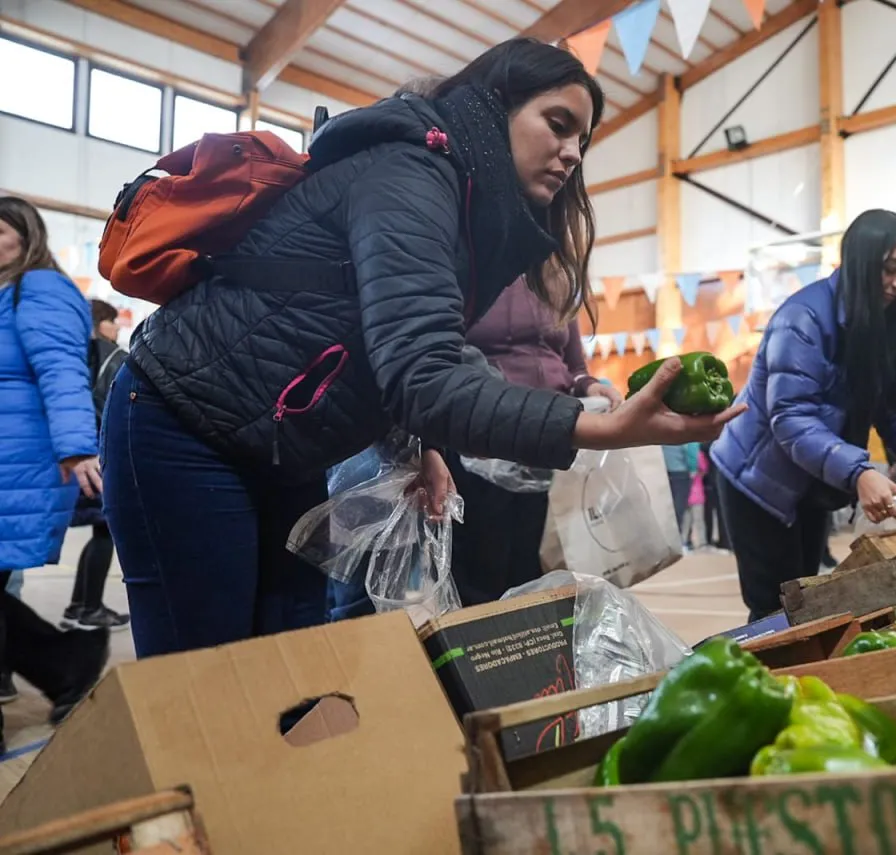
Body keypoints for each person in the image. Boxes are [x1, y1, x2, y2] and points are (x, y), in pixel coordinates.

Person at [101, 40, 741, 658]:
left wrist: (419, 441)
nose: (573, 153)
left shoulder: (462, 208)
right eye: (558, 123)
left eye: (583, 140)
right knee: (202, 678)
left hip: (276, 450)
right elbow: (422, 372)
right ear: (496, 105)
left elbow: (396, 333)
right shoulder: (411, 174)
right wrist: (599, 428)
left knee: (280, 672)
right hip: (183, 423)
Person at [712, 210, 896, 620]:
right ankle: (771, 681)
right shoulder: (802, 318)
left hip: (810, 478)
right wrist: (859, 472)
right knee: (777, 609)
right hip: (757, 481)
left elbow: (895, 411)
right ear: (859, 261)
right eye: (891, 269)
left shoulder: (880, 322)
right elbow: (789, 418)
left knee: (807, 602)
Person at [0, 196, 110, 746]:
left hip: (18, 462)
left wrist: (75, 447)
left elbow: (61, 369)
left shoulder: (39, 288)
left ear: (27, 236)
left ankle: (68, 662)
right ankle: (68, 662)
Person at [449, 274, 621, 606]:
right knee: (484, 569)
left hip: (551, 444)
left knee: (540, 569)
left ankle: (541, 649)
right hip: (484, 443)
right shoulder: (468, 266)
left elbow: (574, 366)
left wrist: (589, 386)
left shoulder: (558, 276)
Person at [62, 299, 130, 631]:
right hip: (103, 455)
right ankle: (89, 608)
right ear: (98, 323)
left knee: (100, 530)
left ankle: (79, 606)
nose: (117, 327)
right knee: (106, 531)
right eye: (111, 321)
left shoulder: (78, 354)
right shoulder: (113, 357)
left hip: (80, 453)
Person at [699, 441, 729, 550]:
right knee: (723, 512)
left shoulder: (706, 443)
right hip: (723, 478)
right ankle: (725, 541)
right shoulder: (725, 442)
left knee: (708, 512)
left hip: (709, 480)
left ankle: (709, 538)